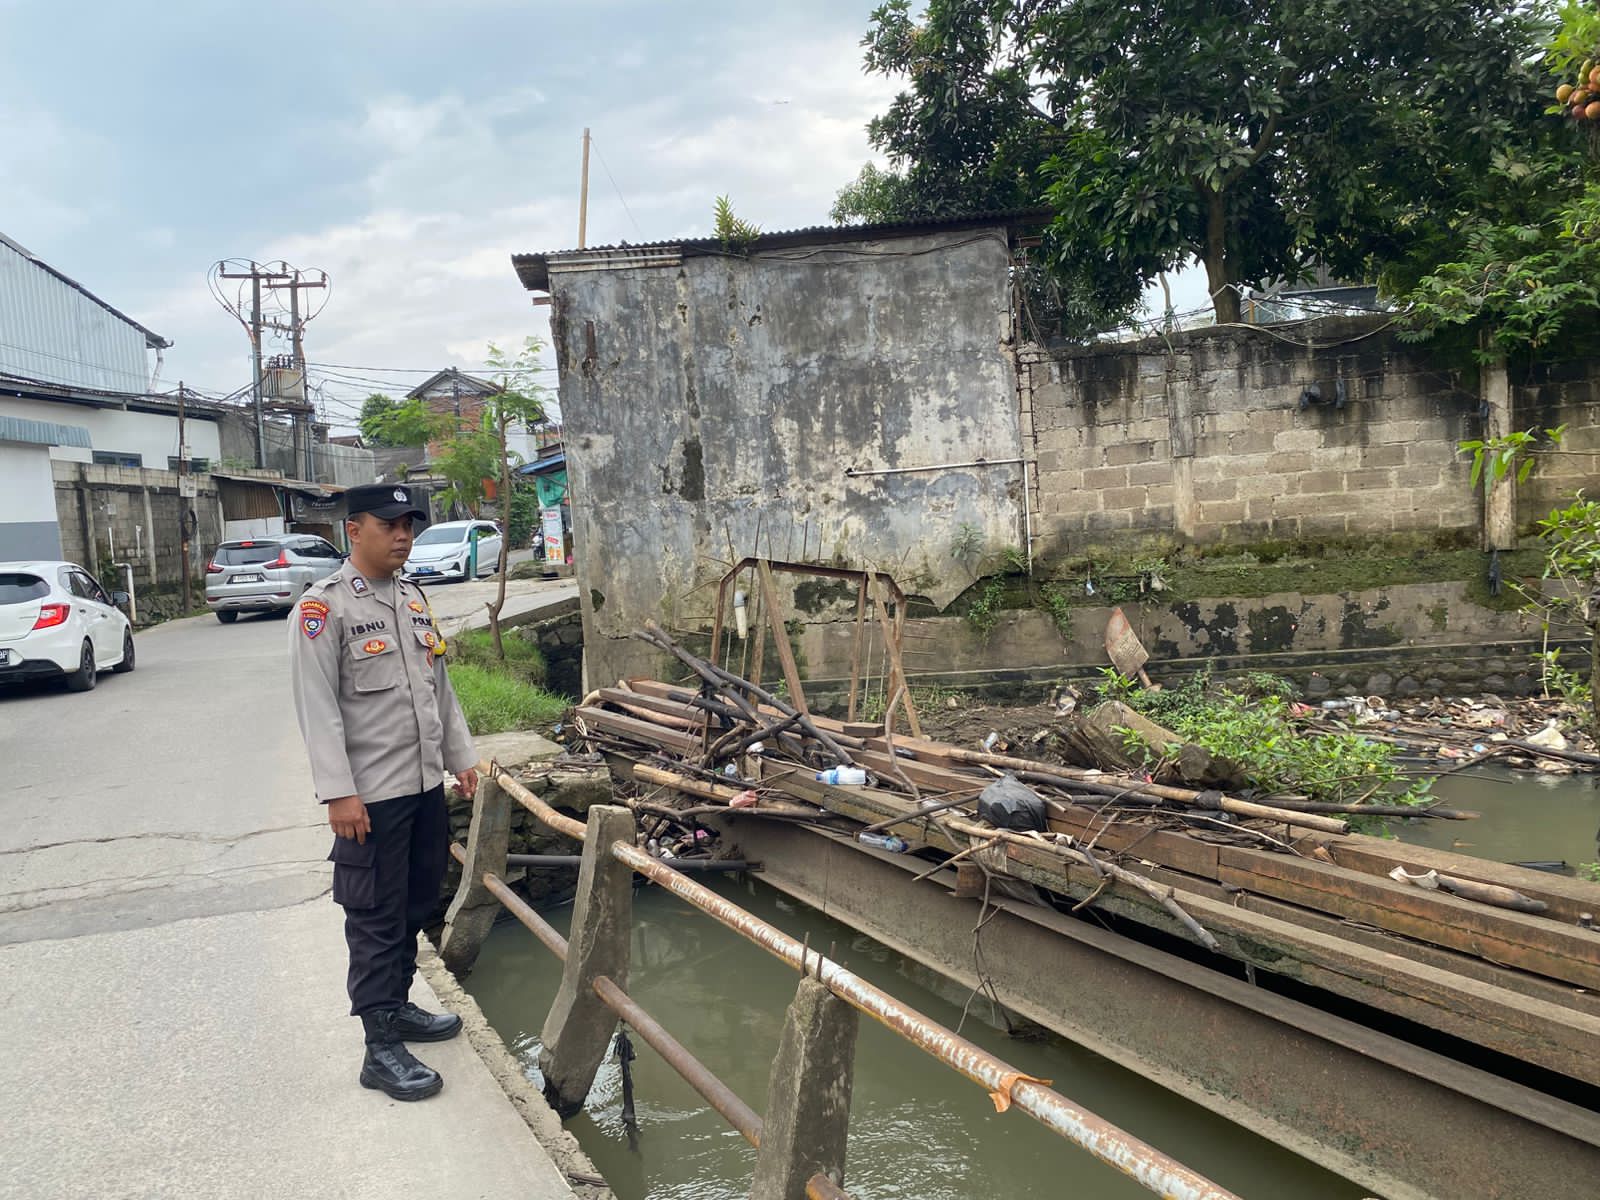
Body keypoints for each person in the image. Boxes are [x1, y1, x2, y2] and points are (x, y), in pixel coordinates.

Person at [287, 483, 479, 1101]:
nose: (403, 535)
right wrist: (338, 794)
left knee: (418, 900)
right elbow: (317, 707)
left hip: (422, 785)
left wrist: (460, 759)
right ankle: (378, 1046)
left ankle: (396, 1008)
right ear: (355, 531)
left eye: (410, 525)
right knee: (373, 914)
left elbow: (438, 690)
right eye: (390, 524)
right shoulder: (326, 609)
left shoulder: (414, 601)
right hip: (368, 797)